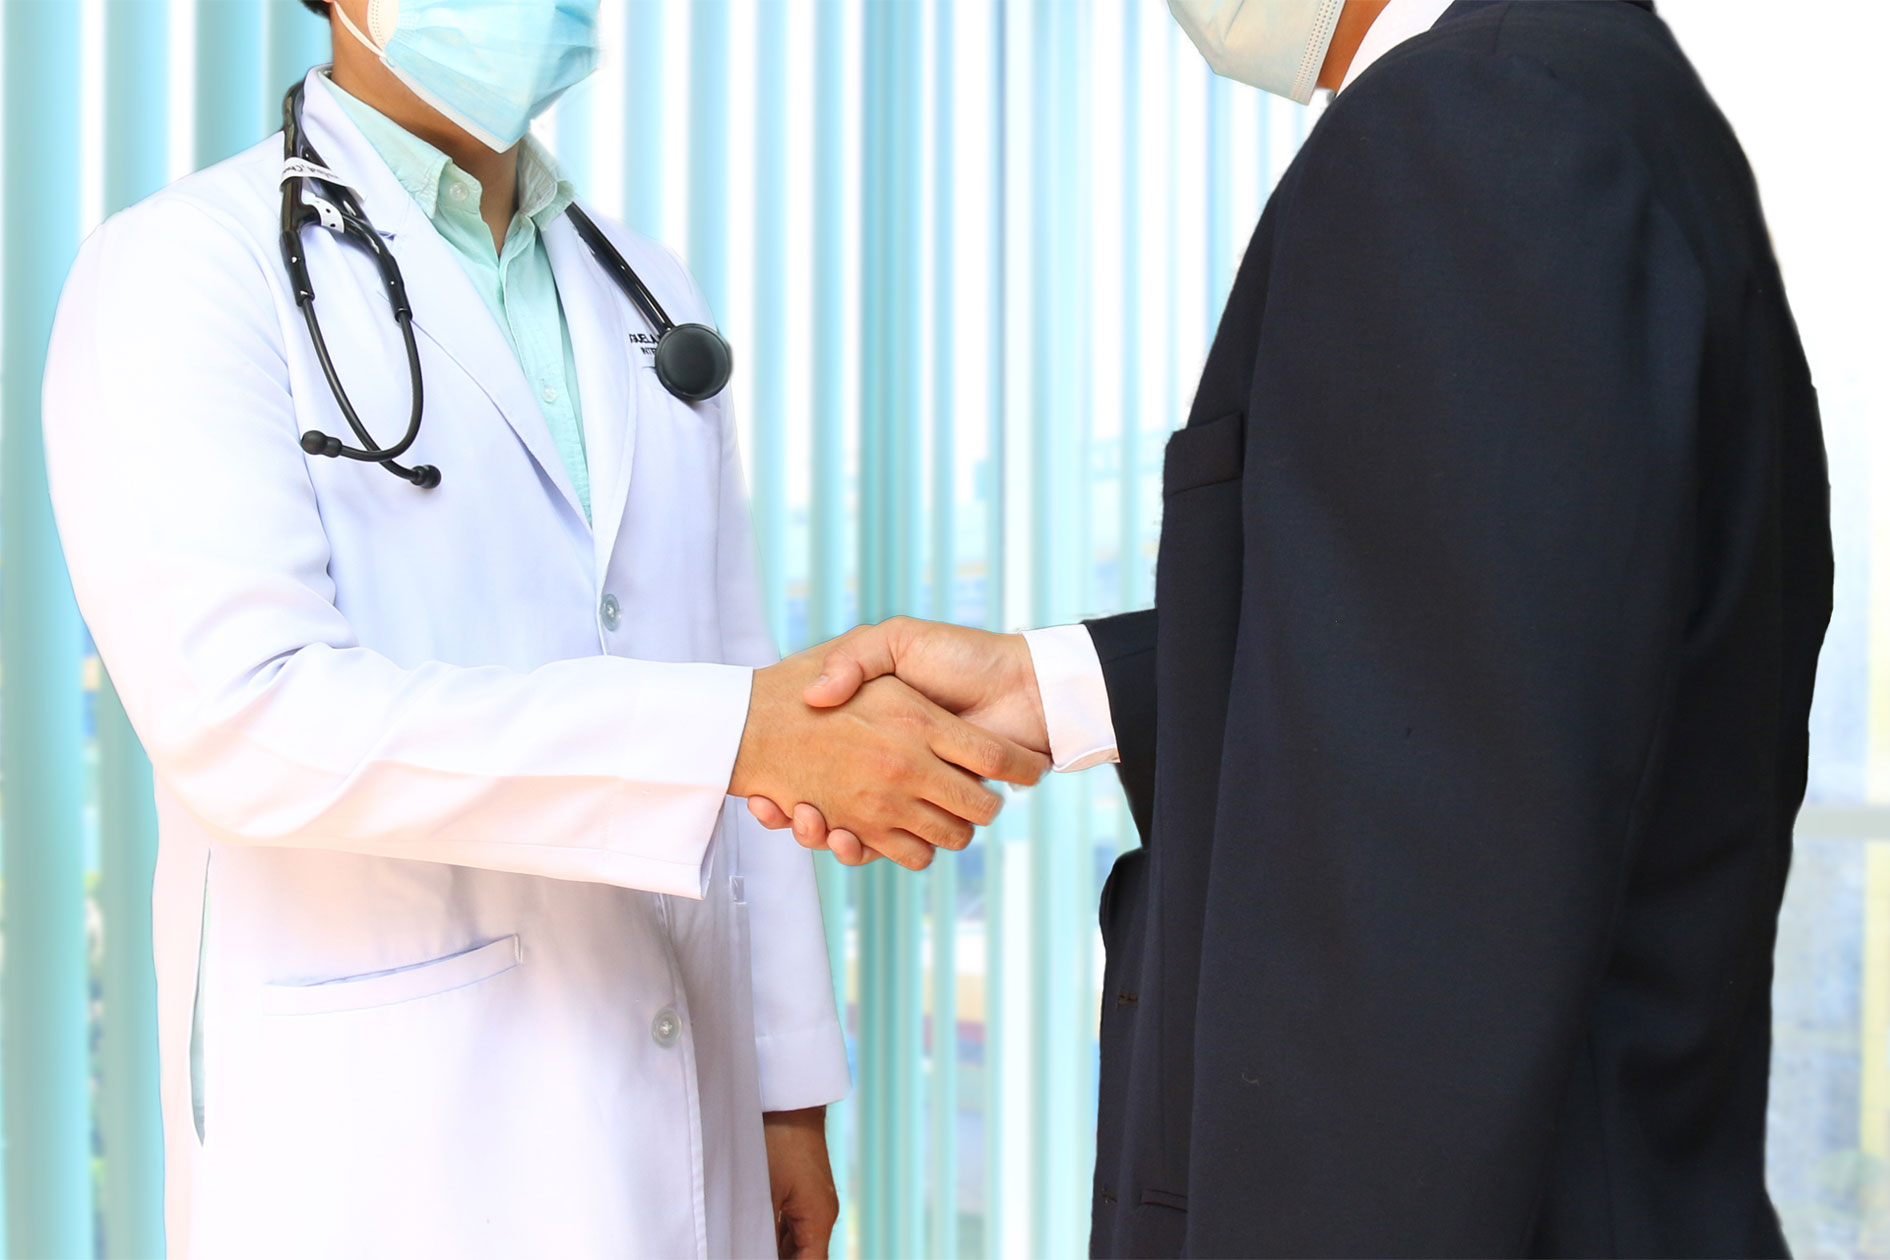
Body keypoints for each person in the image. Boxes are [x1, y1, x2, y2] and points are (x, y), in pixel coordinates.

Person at [755, 0, 1834, 1254]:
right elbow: (1521, 633)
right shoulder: (1599, 94)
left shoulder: (1474, 124)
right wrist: (1075, 688)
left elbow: (1415, 899)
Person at [43, 1, 1044, 1256]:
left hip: (686, 1100)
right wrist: (728, 738)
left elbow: (743, 674)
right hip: (392, 1139)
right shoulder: (183, 270)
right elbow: (250, 721)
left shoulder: (641, 287)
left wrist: (785, 1085)